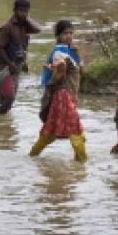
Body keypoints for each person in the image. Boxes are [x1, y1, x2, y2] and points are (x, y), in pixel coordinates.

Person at [30, 20, 86, 161]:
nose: (69, 36)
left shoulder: (68, 51)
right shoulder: (60, 52)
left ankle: (32, 156)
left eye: (71, 33)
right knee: (75, 130)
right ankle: (82, 165)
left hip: (64, 95)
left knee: (52, 129)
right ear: (58, 35)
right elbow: (60, 70)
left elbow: (81, 72)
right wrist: (54, 79)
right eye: (65, 33)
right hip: (63, 96)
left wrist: (77, 54)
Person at [0, 0, 41, 114]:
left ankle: (2, 121)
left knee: (10, 98)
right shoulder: (7, 27)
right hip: (4, 67)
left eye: (26, 11)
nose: (23, 14)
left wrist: (26, 18)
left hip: (16, 66)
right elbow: (0, 48)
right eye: (21, 11)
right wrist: (10, 64)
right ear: (14, 10)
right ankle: (0, 120)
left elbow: (38, 29)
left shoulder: (24, 25)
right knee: (8, 97)